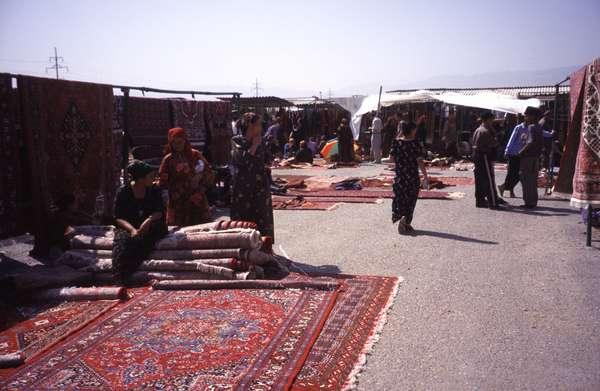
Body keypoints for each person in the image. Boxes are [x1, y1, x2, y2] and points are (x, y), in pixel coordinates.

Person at [113, 160, 168, 284]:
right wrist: (132, 230)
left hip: (150, 224)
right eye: (150, 176)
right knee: (123, 241)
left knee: (155, 231)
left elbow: (159, 211)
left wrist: (148, 221)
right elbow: (118, 217)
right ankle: (121, 276)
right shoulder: (124, 192)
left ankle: (134, 267)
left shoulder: (154, 190)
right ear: (141, 179)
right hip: (130, 225)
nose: (153, 179)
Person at [231, 112, 275, 239]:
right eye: (259, 125)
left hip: (260, 186)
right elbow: (241, 160)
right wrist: (254, 145)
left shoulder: (260, 140)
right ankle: (245, 249)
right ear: (250, 126)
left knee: (262, 215)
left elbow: (266, 159)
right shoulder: (237, 141)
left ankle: (263, 247)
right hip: (243, 187)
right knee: (244, 218)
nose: (261, 128)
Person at [159, 127, 215, 226]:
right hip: (178, 202)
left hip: (197, 199)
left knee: (202, 231)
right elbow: (162, 181)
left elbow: (209, 172)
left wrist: (199, 176)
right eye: (174, 142)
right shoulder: (168, 160)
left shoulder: (195, 154)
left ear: (185, 140)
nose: (177, 145)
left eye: (180, 142)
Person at [389, 122, 429, 234]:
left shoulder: (396, 142)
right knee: (411, 199)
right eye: (415, 129)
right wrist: (425, 176)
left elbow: (391, 158)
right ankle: (406, 220)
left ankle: (403, 219)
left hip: (400, 175)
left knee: (400, 197)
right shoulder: (415, 143)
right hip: (412, 176)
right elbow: (419, 161)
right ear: (411, 130)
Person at [472, 112, 506, 209]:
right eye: (491, 119)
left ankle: (480, 201)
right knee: (488, 180)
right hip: (484, 156)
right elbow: (495, 144)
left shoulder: (479, 129)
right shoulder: (485, 131)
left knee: (480, 179)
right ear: (487, 120)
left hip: (477, 155)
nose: (492, 121)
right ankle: (493, 203)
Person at [517, 107, 544, 209]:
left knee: (526, 180)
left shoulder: (531, 127)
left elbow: (531, 142)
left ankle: (528, 202)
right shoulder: (538, 127)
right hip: (535, 157)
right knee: (532, 180)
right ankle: (532, 201)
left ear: (532, 116)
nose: (525, 117)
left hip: (528, 157)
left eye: (527, 115)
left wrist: (521, 151)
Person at [499, 115, 527, 198]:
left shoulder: (529, 128)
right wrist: (507, 151)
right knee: (511, 173)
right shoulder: (518, 128)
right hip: (513, 153)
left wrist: (550, 134)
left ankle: (504, 187)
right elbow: (511, 139)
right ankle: (509, 190)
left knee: (518, 174)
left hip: (522, 153)